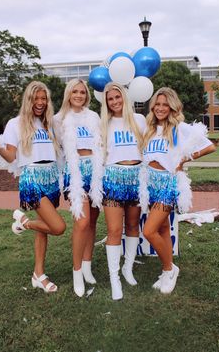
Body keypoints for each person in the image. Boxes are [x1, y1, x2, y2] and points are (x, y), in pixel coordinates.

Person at [0, 81, 66, 293]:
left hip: (51, 178)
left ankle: (38, 275)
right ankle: (24, 222)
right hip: (32, 178)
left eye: (44, 99)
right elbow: (10, 156)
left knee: (43, 230)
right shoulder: (15, 124)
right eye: (37, 98)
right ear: (29, 99)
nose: (41, 103)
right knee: (58, 227)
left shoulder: (49, 124)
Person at [142, 87, 216, 294]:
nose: (161, 108)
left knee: (149, 231)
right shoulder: (150, 128)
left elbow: (210, 146)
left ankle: (170, 268)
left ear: (173, 106)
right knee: (163, 229)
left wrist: (185, 158)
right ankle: (167, 271)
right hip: (151, 183)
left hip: (168, 183)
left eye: (165, 104)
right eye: (157, 104)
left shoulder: (180, 127)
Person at [53, 79, 103, 297]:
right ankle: (76, 273)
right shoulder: (58, 119)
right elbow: (55, 148)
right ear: (68, 93)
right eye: (75, 91)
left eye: (82, 92)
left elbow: (101, 144)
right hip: (74, 173)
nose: (79, 95)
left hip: (95, 171)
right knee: (81, 222)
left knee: (92, 220)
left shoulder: (94, 116)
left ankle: (87, 266)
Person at [100, 82, 147, 300]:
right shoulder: (103, 124)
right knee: (114, 230)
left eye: (118, 97)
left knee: (132, 225)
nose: (115, 102)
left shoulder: (139, 120)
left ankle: (128, 268)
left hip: (137, 177)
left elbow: (147, 149)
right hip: (113, 178)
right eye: (110, 99)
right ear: (106, 102)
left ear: (124, 98)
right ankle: (114, 279)